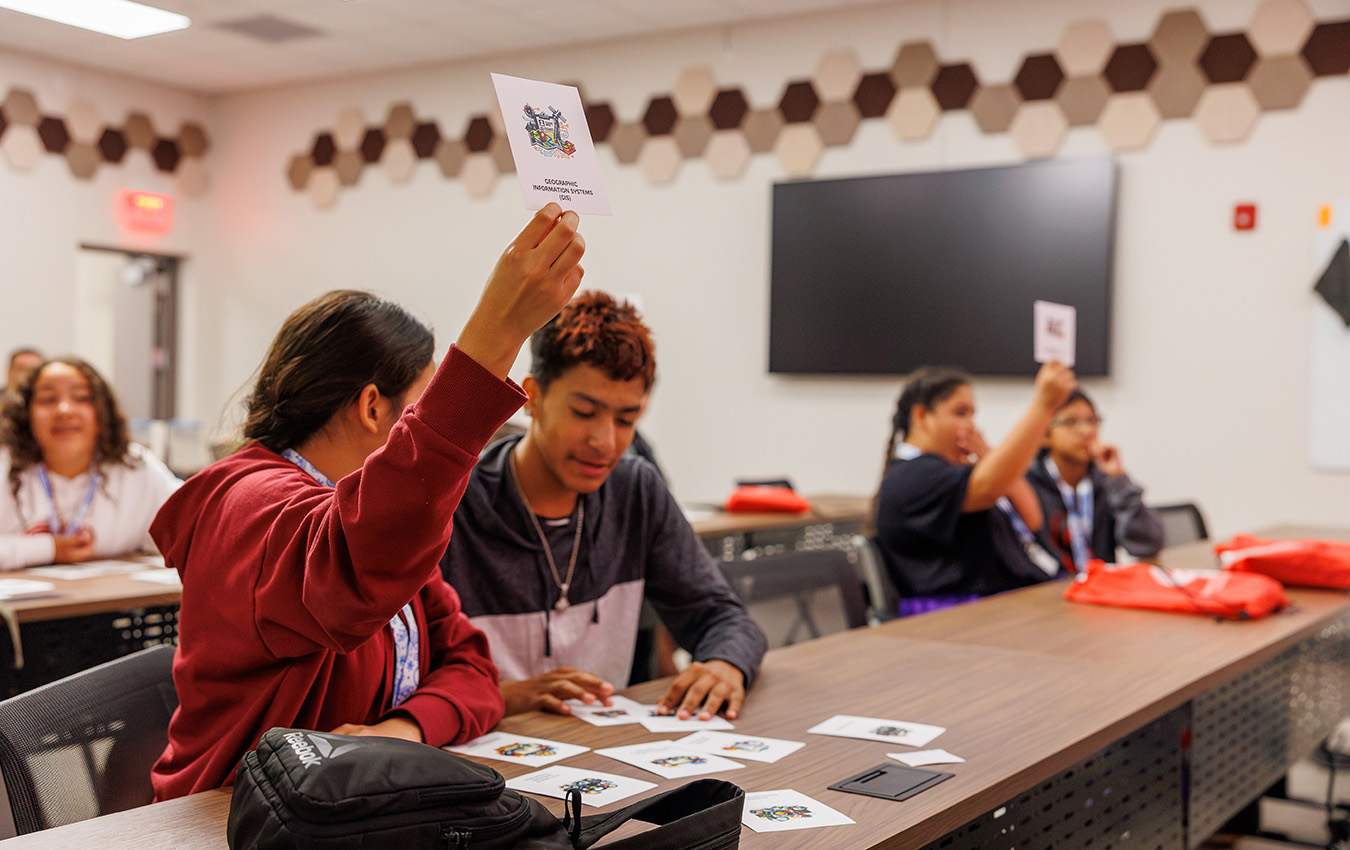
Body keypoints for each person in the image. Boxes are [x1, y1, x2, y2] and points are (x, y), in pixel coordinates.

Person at [150, 203, 586, 800]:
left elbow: (473, 669)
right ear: (374, 406)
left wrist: (402, 730)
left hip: (352, 805)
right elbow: (358, 561)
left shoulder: (353, 510)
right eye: (423, 402)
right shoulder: (252, 503)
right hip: (227, 820)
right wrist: (496, 334)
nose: (424, 421)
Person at [440, 291, 766, 721]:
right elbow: (411, 672)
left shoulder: (634, 491)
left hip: (605, 755)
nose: (605, 442)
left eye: (627, 420)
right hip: (476, 754)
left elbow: (723, 618)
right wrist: (504, 695)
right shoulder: (454, 503)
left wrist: (725, 664)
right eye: (583, 412)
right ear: (532, 397)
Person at [872, 362, 1076, 614]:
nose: (969, 425)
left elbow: (1033, 519)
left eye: (972, 415)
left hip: (999, 604)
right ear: (922, 416)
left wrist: (987, 454)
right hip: (956, 614)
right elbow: (989, 487)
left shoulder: (949, 472)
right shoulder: (914, 476)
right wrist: (1044, 406)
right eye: (960, 413)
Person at [0, 357, 181, 570]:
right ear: (26, 414)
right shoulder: (6, 465)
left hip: (117, 599)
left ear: (102, 413)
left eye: (82, 397)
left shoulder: (134, 465)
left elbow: (190, 530)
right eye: (48, 399)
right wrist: (49, 548)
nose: (65, 410)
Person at [1025, 388, 1164, 572]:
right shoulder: (1029, 486)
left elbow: (1149, 545)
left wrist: (1118, 479)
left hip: (1099, 591)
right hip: (1048, 594)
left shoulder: (1105, 481)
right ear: (1045, 435)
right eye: (1071, 422)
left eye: (1092, 421)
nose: (1087, 431)